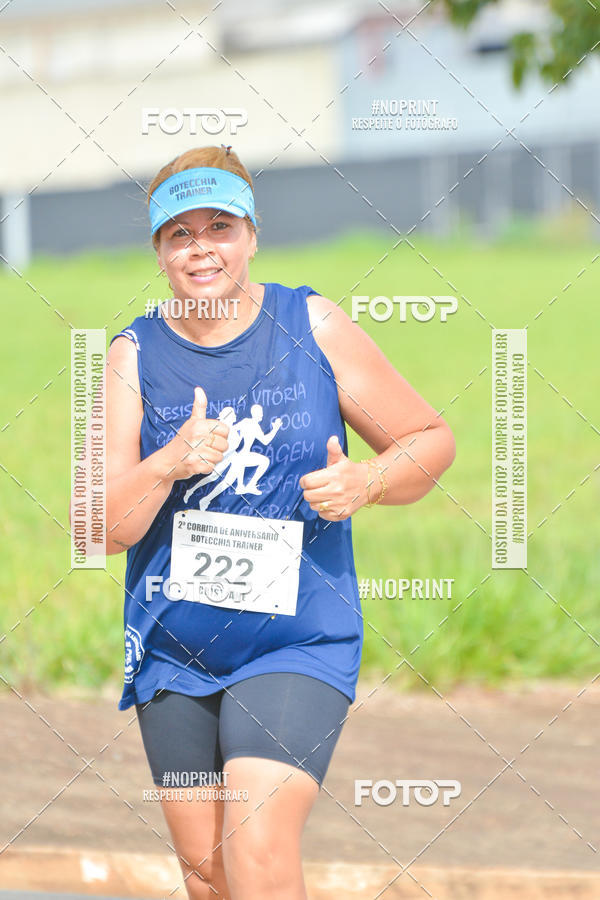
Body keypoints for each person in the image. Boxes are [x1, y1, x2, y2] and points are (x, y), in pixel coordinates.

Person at [103, 144, 456, 900]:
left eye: (220, 227)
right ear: (160, 252)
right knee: (211, 876)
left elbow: (430, 441)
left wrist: (367, 481)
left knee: (257, 848)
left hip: (296, 638)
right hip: (175, 651)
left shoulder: (312, 324)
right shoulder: (133, 355)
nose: (202, 248)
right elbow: (103, 527)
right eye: (180, 233)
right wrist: (166, 464)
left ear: (253, 235)